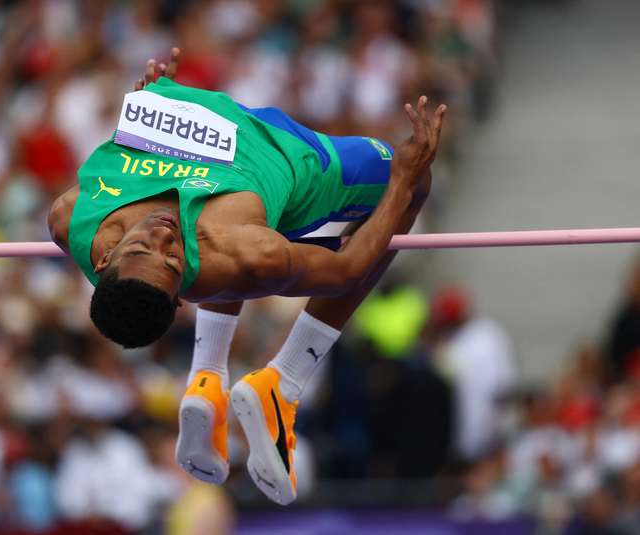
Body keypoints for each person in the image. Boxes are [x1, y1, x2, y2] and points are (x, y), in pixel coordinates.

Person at [48, 48, 446, 505]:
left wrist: (149, 111)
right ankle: (284, 380)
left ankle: (207, 376)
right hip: (282, 150)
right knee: (419, 185)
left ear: (102, 262)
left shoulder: (69, 215)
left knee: (227, 259)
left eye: (141, 246)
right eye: (174, 260)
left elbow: (115, 155)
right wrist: (402, 180)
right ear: (180, 296)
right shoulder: (240, 250)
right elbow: (345, 270)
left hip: (198, 124)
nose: (163, 236)